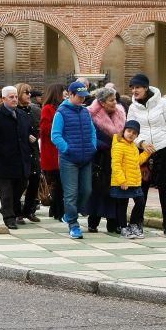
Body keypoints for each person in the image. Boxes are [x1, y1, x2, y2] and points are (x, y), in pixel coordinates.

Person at [126, 73, 166, 237]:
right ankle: (139, 221)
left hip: (164, 146)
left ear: (146, 88)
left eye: (138, 87)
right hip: (144, 149)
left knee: (164, 186)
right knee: (142, 186)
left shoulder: (163, 103)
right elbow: (130, 129)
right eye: (133, 88)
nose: (135, 91)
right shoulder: (133, 106)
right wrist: (141, 142)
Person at [51, 81, 98, 239]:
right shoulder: (61, 113)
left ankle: (69, 214)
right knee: (71, 193)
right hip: (69, 159)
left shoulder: (85, 112)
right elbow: (55, 135)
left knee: (87, 190)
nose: (82, 100)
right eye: (79, 96)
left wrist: (93, 146)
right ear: (70, 95)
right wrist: (67, 149)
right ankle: (73, 224)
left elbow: (92, 131)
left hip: (86, 157)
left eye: (84, 97)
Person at [0, 86, 33, 230]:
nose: (14, 100)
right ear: (4, 99)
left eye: (16, 97)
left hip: (22, 159)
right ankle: (9, 218)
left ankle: (8, 209)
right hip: (5, 161)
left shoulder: (23, 115)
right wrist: (1, 152)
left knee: (20, 187)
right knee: (6, 192)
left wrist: (29, 145)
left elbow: (27, 133)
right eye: (11, 97)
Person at [85, 86, 126, 234]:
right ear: (102, 102)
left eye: (115, 99)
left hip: (116, 158)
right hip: (99, 158)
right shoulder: (90, 114)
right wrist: (105, 145)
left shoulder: (120, 113)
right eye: (111, 100)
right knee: (98, 190)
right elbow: (89, 136)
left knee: (113, 190)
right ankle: (93, 221)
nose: (115, 102)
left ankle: (113, 223)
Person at [110, 120, 153, 240]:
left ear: (137, 136)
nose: (131, 134)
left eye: (134, 133)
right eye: (129, 131)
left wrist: (146, 153)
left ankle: (133, 224)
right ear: (124, 131)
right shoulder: (118, 145)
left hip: (134, 181)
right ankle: (123, 227)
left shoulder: (133, 146)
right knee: (122, 205)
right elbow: (116, 165)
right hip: (122, 182)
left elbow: (137, 162)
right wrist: (122, 181)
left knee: (140, 202)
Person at [15, 82, 41, 223]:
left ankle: (29, 210)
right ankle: (17, 212)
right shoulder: (15, 111)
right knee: (21, 183)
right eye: (26, 92)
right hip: (21, 151)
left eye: (30, 92)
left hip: (33, 150)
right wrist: (26, 137)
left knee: (35, 180)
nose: (29, 95)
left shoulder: (33, 110)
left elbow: (37, 128)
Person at [39, 83, 65, 221]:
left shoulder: (61, 108)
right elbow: (45, 129)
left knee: (60, 184)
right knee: (58, 183)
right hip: (52, 152)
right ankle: (58, 211)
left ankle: (56, 210)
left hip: (59, 152)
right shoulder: (48, 109)